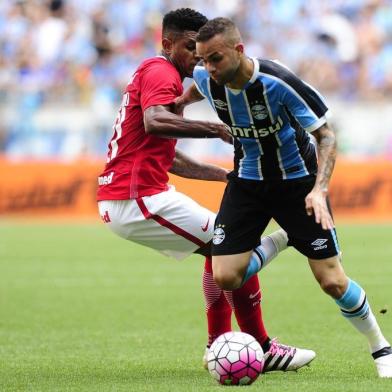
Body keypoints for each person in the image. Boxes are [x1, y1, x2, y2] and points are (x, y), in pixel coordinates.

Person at [97, 8, 315, 373]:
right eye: (188, 47)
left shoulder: (155, 72)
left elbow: (168, 159)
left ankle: (218, 344)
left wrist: (224, 176)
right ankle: (263, 347)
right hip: (136, 199)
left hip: (134, 195)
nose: (197, 57)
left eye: (199, 49)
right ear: (167, 43)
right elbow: (154, 122)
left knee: (221, 247)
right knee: (229, 246)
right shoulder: (161, 72)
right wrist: (213, 129)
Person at [175, 17, 392, 377]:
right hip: (247, 182)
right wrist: (182, 100)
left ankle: (380, 347)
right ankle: (286, 237)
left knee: (332, 281)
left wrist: (319, 191)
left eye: (215, 59)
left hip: (297, 184)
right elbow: (199, 86)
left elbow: (326, 136)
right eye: (202, 60)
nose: (208, 68)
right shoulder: (206, 77)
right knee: (226, 275)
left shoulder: (279, 83)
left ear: (239, 51)